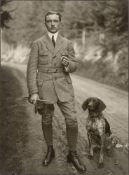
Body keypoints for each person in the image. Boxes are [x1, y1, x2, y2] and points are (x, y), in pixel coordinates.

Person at [27, 11, 86, 173]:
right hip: (44, 87)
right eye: (49, 21)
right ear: (45, 23)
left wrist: (68, 65)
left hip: (64, 86)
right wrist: (33, 92)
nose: (52, 24)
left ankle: (72, 154)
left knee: (72, 120)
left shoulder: (67, 43)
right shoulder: (37, 43)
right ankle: (50, 149)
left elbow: (75, 64)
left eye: (55, 21)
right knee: (46, 120)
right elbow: (32, 69)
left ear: (60, 23)